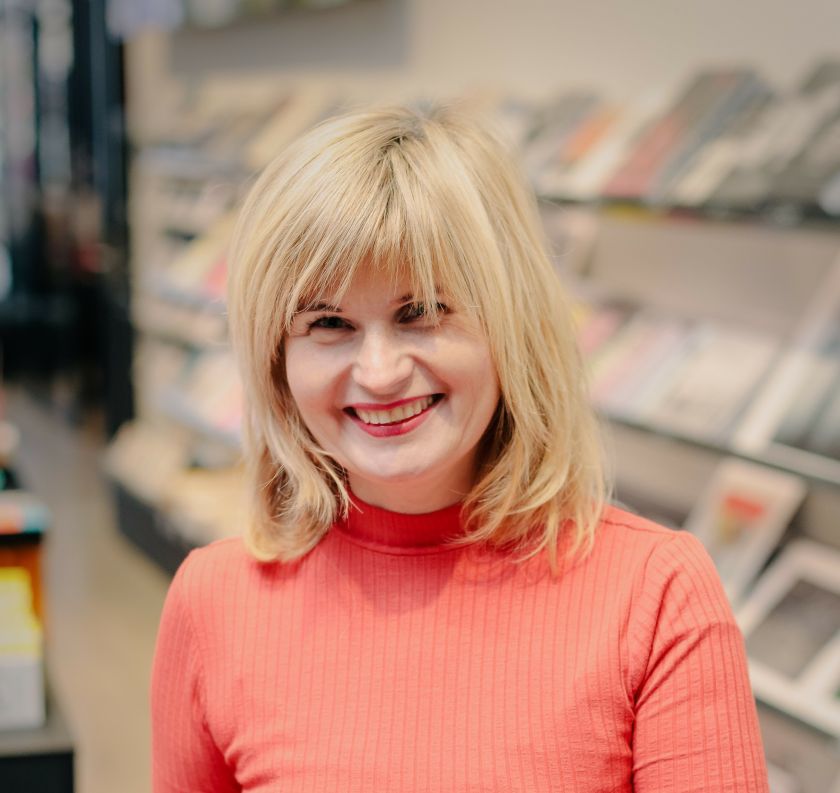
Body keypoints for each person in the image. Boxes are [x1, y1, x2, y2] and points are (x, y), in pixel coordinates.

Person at [151, 104, 770, 792]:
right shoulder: (212, 601)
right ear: (277, 358)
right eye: (329, 323)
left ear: (510, 326)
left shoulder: (656, 593)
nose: (379, 371)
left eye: (421, 312)